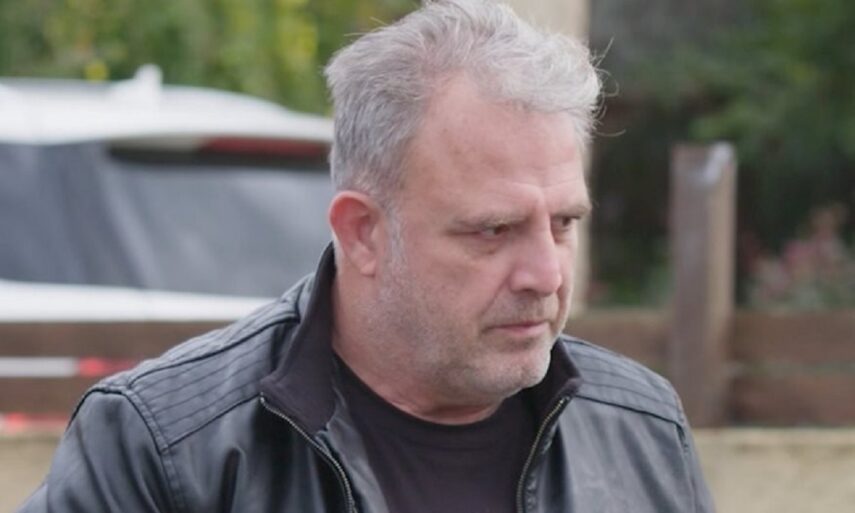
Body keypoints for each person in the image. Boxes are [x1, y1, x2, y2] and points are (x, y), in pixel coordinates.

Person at [19, 1, 714, 511]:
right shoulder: (166, 447)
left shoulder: (640, 429)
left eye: (562, 223)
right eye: (493, 230)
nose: (546, 274)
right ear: (362, 232)